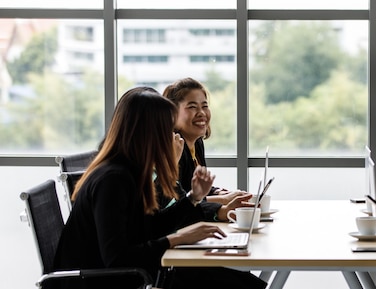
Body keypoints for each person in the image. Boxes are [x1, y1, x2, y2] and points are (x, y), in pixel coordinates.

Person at [52, 87, 266, 289]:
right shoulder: (113, 179)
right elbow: (116, 257)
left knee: (230, 280)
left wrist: (193, 198)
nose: (172, 136)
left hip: (125, 275)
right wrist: (177, 239)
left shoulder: (129, 171)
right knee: (226, 282)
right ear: (148, 133)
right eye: (166, 129)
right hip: (97, 282)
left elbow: (146, 228)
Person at [162, 77, 245, 205]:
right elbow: (178, 201)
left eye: (204, 106)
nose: (201, 113)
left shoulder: (197, 143)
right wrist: (224, 201)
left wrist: (218, 192)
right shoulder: (173, 146)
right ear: (173, 113)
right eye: (192, 107)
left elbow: (194, 189)